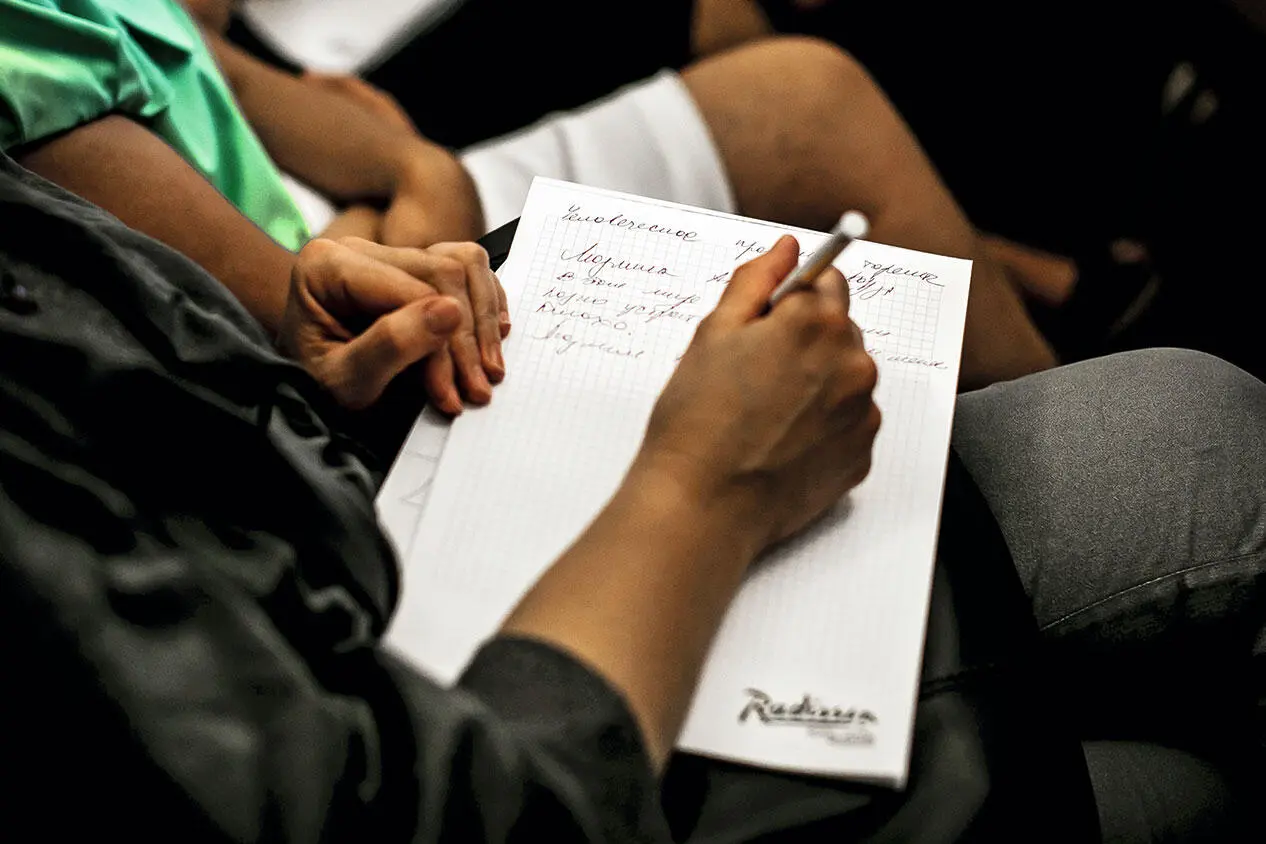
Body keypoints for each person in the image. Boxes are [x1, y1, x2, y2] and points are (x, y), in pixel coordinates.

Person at [4, 142, 1266, 840]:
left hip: (386, 519)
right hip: (551, 736)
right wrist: (699, 487)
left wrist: (259, 364)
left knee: (1203, 426)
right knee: (1191, 753)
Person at [0, 0, 1057, 400]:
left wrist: (413, 169)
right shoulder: (21, 59)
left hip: (354, 214)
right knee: (797, 96)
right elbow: (292, 318)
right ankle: (1038, 501)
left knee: (805, 95)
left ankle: (1042, 411)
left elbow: (227, 69)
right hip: (334, 334)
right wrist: (410, 183)